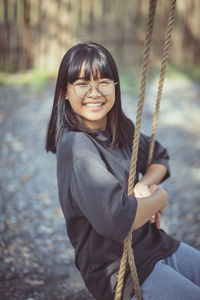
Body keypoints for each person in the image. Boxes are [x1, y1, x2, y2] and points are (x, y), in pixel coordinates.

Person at [45, 41, 200, 300]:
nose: (94, 92)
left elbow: (159, 156)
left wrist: (144, 184)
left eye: (104, 81)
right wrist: (160, 198)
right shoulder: (77, 145)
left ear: (115, 86)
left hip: (155, 244)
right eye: (82, 84)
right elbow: (117, 218)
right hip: (120, 271)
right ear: (65, 92)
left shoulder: (119, 127)